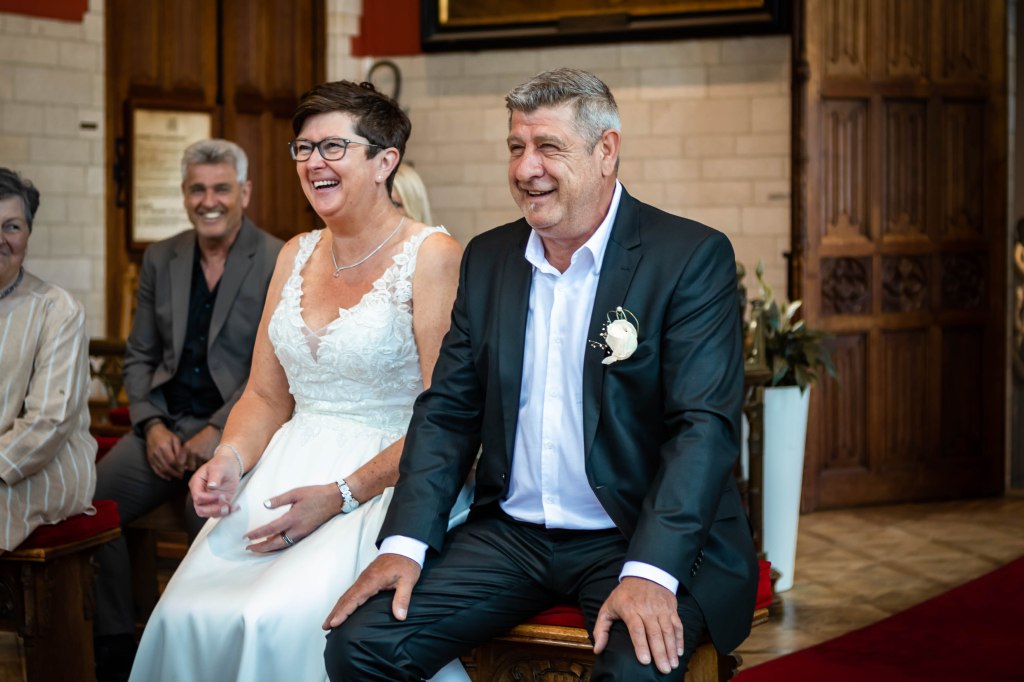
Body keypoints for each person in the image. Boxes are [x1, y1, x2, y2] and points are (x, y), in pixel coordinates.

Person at [324, 68, 760, 681]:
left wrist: (650, 571)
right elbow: (448, 412)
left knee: (636, 669)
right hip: (511, 537)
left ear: (606, 151)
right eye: (516, 147)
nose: (527, 169)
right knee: (361, 644)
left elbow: (703, 429)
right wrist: (406, 544)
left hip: (633, 533)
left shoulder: (687, 257)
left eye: (549, 147)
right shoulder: (490, 258)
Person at [129, 80, 470, 682]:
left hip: (386, 479)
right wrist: (230, 459)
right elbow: (265, 395)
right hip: (285, 468)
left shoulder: (433, 255)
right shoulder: (295, 253)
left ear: (384, 161)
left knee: (274, 618)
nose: (314, 162)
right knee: (183, 612)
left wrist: (341, 493)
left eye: (333, 147)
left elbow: (444, 415)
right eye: (304, 149)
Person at [92, 139, 283, 680]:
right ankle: (118, 647)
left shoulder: (277, 257)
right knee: (93, 507)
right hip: (163, 427)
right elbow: (139, 355)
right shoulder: (161, 257)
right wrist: (150, 426)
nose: (209, 200)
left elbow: (274, 368)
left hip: (233, 430)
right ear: (183, 194)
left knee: (216, 519)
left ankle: (202, 655)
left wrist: (218, 432)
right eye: (197, 189)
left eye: (221, 188)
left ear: (244, 192)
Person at [0, 167, 97, 552]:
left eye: (11, 227)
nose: (0, 239)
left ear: (28, 233)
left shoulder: (58, 310)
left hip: (41, 466)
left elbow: (49, 420)